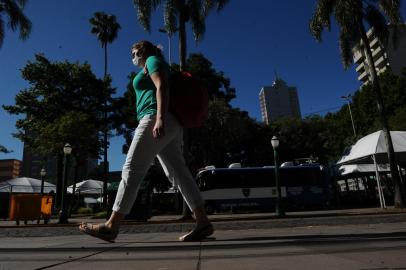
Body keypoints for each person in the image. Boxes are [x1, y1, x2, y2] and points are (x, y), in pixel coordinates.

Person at [79, 40, 213, 243]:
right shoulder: (155, 62)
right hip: (170, 121)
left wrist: (159, 118)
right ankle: (203, 222)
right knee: (178, 172)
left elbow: (162, 86)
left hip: (156, 117)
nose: (133, 57)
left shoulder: (152, 60)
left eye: (134, 53)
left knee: (132, 168)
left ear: (142, 51)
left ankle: (111, 225)